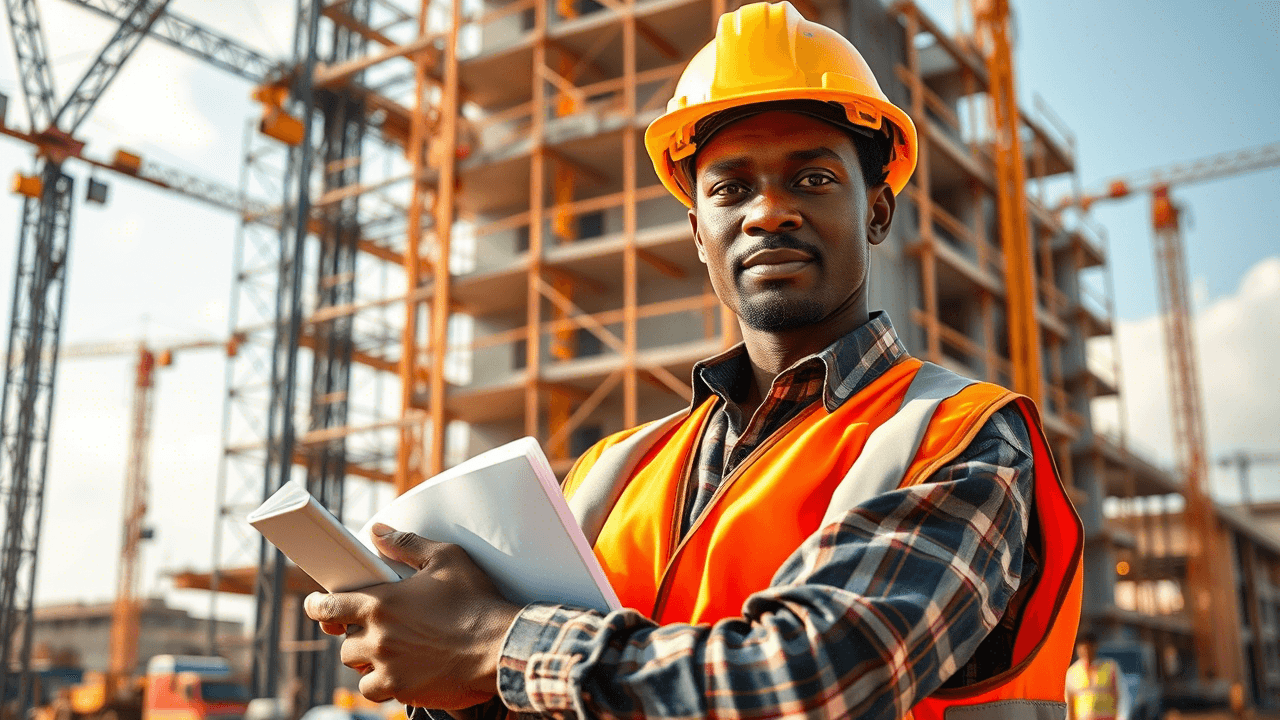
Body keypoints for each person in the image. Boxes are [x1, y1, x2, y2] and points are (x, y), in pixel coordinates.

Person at [304, 3, 1084, 719]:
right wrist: (438, 664)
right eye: (731, 188)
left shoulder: (962, 436)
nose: (769, 211)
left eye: (813, 178)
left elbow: (816, 679)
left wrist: (492, 643)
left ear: (876, 212)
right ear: (698, 233)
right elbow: (535, 691)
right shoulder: (612, 473)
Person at [1066, 633, 1123, 720]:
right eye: (1082, 648)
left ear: (1095, 647)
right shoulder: (1072, 672)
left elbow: (1121, 696)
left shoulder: (1111, 668)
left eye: (1088, 648)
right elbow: (1069, 702)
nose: (1085, 652)